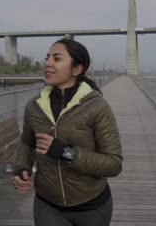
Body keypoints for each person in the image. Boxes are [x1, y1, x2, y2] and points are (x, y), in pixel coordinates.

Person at [13, 38, 123, 226]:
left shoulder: (97, 106)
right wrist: (22, 168)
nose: (47, 63)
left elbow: (114, 164)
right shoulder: (34, 106)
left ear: (77, 69)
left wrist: (66, 152)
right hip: (48, 206)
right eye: (47, 58)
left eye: (56, 59)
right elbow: (27, 143)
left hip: (92, 207)